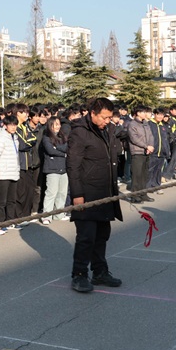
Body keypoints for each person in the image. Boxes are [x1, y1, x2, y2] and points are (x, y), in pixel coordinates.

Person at [66, 97, 123, 293]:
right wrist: (77, 195)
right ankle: (79, 275)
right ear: (92, 114)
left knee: (102, 236)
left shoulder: (107, 130)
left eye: (109, 117)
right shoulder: (80, 132)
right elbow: (73, 166)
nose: (107, 121)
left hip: (105, 192)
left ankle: (100, 272)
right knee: (86, 237)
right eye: (104, 117)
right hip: (87, 193)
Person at [0, 114, 20, 234]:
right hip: (2, 173)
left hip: (13, 172)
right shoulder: (1, 138)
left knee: (12, 199)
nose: (13, 127)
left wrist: (17, 170)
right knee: (2, 200)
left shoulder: (15, 138)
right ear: (5, 125)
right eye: (11, 125)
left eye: (15, 125)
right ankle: (1, 222)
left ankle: (10, 220)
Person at [40, 115, 69, 223]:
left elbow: (67, 148)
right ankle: (46, 216)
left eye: (59, 124)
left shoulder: (62, 136)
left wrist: (57, 147)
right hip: (52, 169)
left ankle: (59, 214)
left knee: (62, 193)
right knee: (51, 193)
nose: (58, 126)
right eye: (56, 124)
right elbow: (50, 150)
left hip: (63, 168)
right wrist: (63, 153)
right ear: (50, 125)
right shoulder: (46, 137)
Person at [126, 105, 154, 203]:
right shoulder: (132, 124)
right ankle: (135, 196)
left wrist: (150, 146)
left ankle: (143, 194)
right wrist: (146, 146)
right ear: (138, 113)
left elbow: (151, 136)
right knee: (137, 175)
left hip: (146, 152)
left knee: (144, 174)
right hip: (137, 152)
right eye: (143, 112)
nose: (145, 114)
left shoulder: (146, 123)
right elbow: (134, 139)